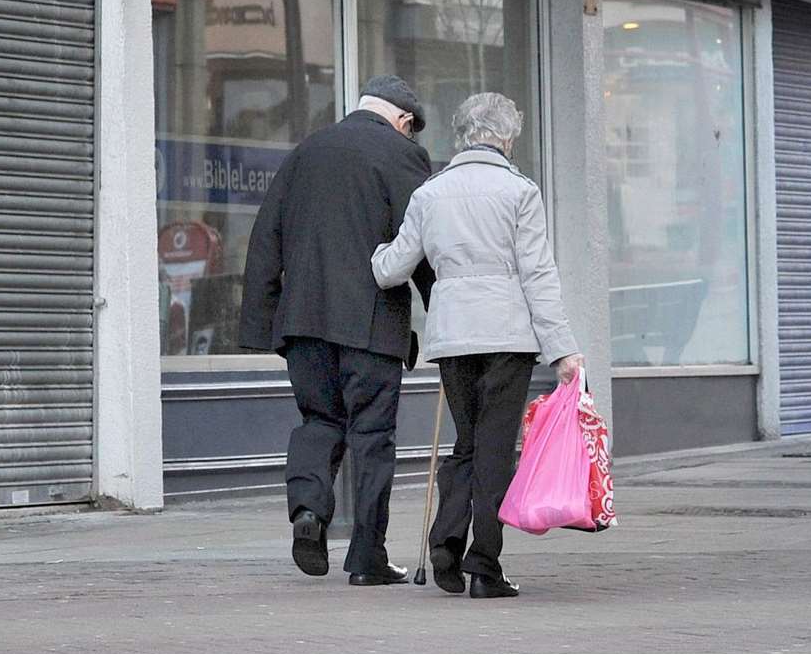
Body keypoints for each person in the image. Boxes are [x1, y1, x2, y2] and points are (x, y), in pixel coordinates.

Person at [370, 92, 584, 600]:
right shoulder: (519, 191)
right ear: (507, 137)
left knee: (466, 442)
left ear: (462, 134)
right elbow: (538, 274)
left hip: (455, 336)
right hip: (508, 335)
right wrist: (563, 348)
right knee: (494, 450)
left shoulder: (430, 192)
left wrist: (376, 252)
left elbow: (391, 268)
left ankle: (446, 539)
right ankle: (484, 565)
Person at [240, 75, 436, 587]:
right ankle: (367, 557)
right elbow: (421, 240)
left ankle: (308, 510)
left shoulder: (307, 150)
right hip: (369, 325)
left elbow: (266, 239)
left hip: (303, 323)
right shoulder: (401, 154)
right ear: (404, 121)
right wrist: (445, 311)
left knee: (319, 422)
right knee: (372, 437)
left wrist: (264, 322)